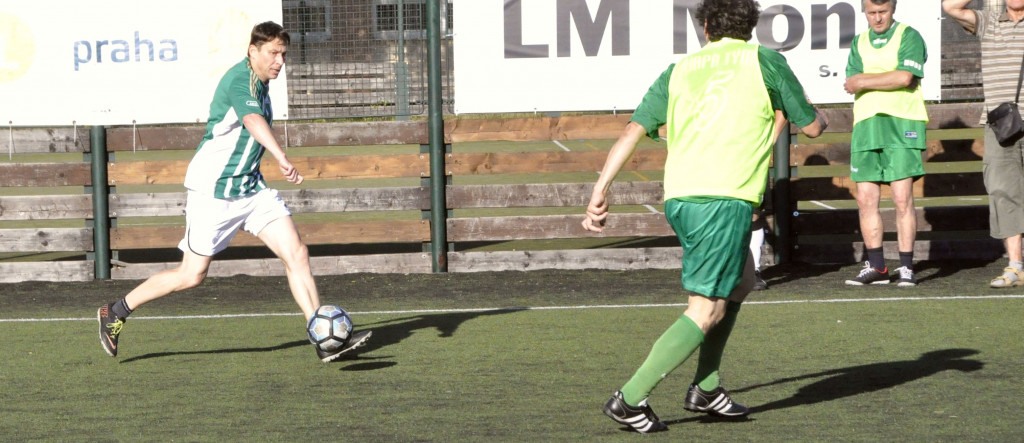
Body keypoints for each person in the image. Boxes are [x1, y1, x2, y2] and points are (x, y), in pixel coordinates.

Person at [582, 0, 827, 433]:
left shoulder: (679, 70)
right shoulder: (765, 61)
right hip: (722, 201)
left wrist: (599, 191)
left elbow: (632, 130)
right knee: (706, 309)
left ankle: (707, 388)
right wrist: (817, 113)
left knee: (742, 281)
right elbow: (810, 126)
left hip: (681, 198)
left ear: (707, 26)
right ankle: (630, 399)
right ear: (751, 25)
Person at [96, 21, 371, 363]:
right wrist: (281, 156)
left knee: (296, 253)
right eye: (273, 53)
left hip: (251, 188)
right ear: (253, 51)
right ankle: (116, 311)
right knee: (191, 275)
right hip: (214, 192)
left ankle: (323, 339)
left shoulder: (262, 83)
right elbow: (253, 121)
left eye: (284, 54)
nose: (280, 61)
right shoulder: (241, 80)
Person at [841, 0, 928, 287]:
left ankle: (906, 267)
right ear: (864, 12)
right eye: (871, 13)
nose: (877, 18)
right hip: (866, 124)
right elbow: (851, 82)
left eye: (883, 12)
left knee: (902, 198)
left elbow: (905, 77)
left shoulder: (909, 35)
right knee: (866, 199)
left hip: (902, 123)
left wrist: (865, 81)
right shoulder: (859, 42)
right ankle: (877, 267)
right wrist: (886, 78)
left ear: (893, 9)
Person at [943, 0, 1024, 288]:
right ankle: (1016, 266)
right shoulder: (988, 21)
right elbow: (950, 7)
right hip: (1002, 125)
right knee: (1004, 192)